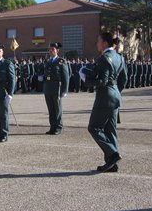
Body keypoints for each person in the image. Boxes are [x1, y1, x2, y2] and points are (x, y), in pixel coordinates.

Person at [80, 31, 127, 172]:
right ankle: (111, 163)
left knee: (94, 128)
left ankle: (113, 155)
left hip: (105, 97)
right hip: (115, 96)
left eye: (98, 41)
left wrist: (85, 79)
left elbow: (102, 81)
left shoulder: (104, 58)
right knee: (110, 130)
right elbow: (123, 80)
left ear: (105, 43)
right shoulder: (119, 57)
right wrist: (116, 92)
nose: (97, 43)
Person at [43, 42, 70, 135]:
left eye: (53, 49)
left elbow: (66, 76)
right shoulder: (47, 61)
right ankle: (52, 127)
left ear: (57, 50)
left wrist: (64, 90)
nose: (51, 51)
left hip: (56, 88)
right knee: (51, 109)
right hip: (48, 88)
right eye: (50, 49)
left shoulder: (61, 61)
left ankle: (58, 127)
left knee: (57, 109)